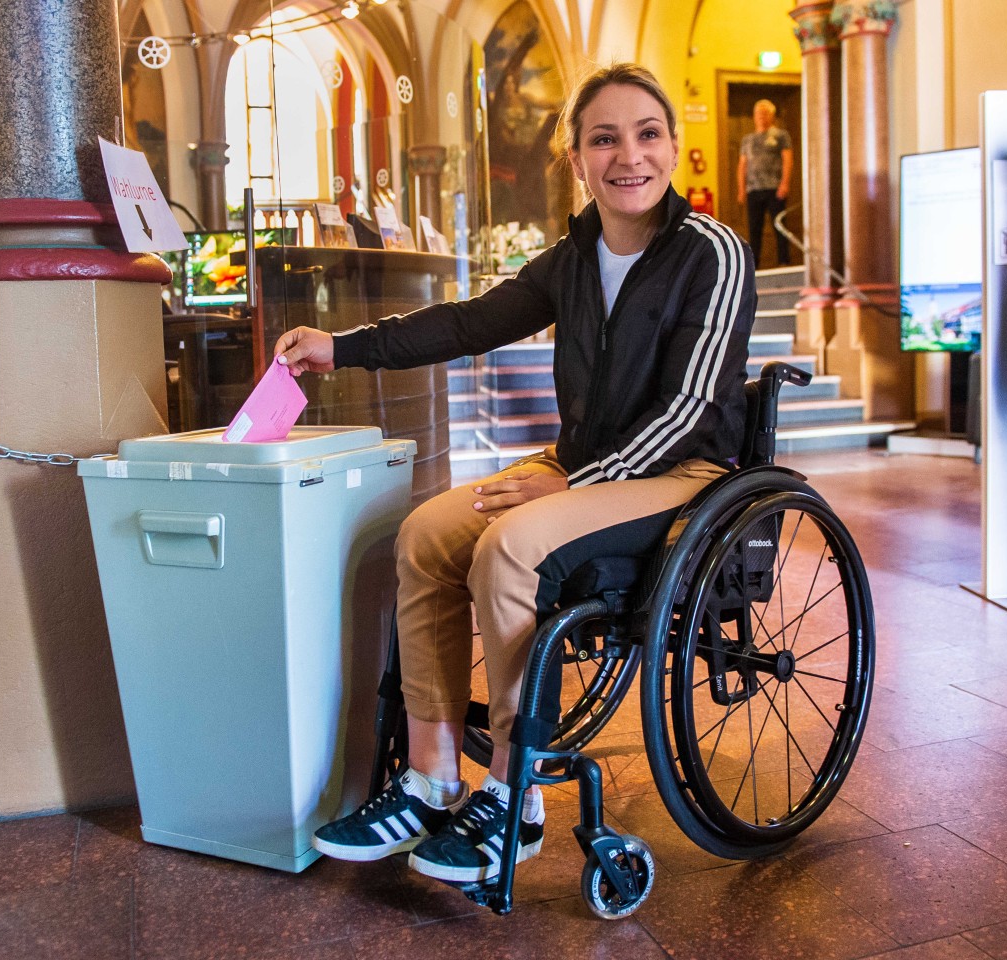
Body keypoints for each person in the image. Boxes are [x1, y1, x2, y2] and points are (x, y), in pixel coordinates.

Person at [274, 63, 756, 886]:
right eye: (604, 138)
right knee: (426, 533)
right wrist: (341, 346)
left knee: (510, 544)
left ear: (673, 146)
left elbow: (688, 408)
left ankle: (513, 793)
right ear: (577, 159)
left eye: (646, 134)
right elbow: (467, 324)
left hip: (684, 473)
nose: (627, 155)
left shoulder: (711, 252)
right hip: (582, 467)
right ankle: (430, 777)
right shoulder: (569, 260)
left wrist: (573, 483)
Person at [737, 99, 793, 266]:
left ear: (772, 115)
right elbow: (742, 165)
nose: (761, 117)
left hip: (775, 188)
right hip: (753, 189)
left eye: (765, 113)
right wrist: (741, 189)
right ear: (754, 117)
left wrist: (785, 183)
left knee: (779, 226)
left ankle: (784, 262)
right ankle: (754, 265)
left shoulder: (781, 135)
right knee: (754, 229)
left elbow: (788, 160)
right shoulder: (747, 140)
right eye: (758, 114)